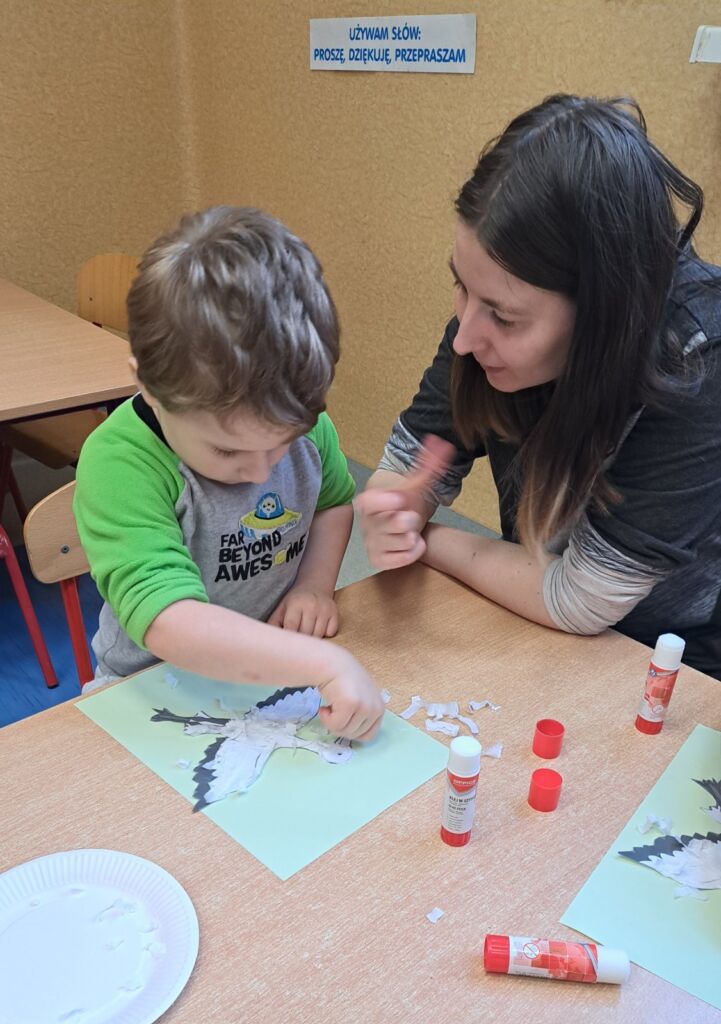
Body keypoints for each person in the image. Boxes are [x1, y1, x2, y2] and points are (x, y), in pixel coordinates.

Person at [356, 95, 721, 679]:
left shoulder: (699, 361)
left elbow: (580, 599)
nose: (464, 338)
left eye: (504, 318)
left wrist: (430, 540)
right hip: (540, 620)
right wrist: (396, 508)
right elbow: (405, 467)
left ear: (601, 314)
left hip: (674, 661)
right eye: (461, 287)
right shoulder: (487, 313)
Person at [74, 206, 383, 740]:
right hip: (146, 689)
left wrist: (314, 585)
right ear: (149, 387)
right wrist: (323, 663)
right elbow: (170, 620)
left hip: (267, 669)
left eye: (282, 445)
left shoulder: (303, 425)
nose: (260, 472)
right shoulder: (121, 462)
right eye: (226, 451)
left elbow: (333, 501)